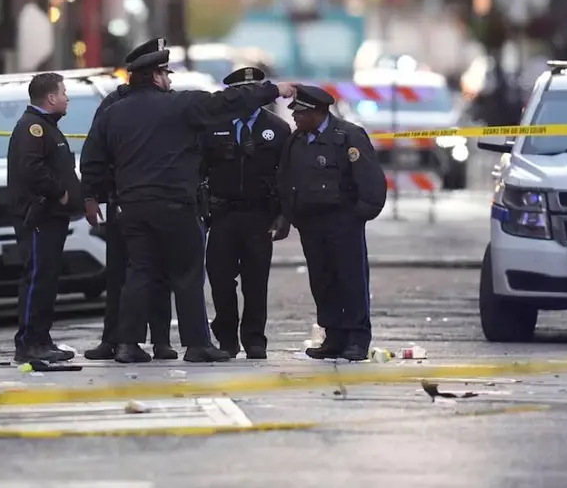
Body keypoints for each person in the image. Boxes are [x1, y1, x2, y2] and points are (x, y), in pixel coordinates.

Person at [81, 39, 296, 363]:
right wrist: (273, 90)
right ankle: (197, 344)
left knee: (140, 273)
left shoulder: (113, 113)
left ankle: (127, 344)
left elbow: (94, 157)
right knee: (186, 274)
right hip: (175, 205)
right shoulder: (180, 105)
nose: (169, 79)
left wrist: (92, 195)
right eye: (165, 73)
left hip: (134, 206)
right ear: (155, 76)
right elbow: (228, 101)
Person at [277, 85, 387, 362]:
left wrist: (359, 214)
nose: (295, 118)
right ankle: (334, 336)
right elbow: (286, 179)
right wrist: (291, 215)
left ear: (318, 112)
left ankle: (357, 338)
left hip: (342, 221)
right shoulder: (296, 141)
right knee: (322, 280)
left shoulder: (347, 136)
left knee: (350, 279)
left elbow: (370, 178)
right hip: (311, 223)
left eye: (300, 113)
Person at [83, 39, 175, 361]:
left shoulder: (170, 102)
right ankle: (114, 339)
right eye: (162, 71)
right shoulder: (113, 104)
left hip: (158, 200)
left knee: (159, 272)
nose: (167, 79)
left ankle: (161, 340)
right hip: (121, 199)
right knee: (120, 273)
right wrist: (92, 195)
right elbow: (95, 152)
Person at [201, 67, 292, 360]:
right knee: (220, 279)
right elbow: (199, 169)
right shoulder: (214, 125)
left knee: (256, 280)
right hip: (223, 214)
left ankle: (255, 339)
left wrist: (283, 215)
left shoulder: (277, 128)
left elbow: (285, 176)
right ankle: (226, 338)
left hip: (259, 215)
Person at [6, 72, 83, 364]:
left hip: (51, 217)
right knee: (38, 278)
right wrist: (60, 192)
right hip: (40, 215)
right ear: (50, 98)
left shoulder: (45, 126)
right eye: (63, 93)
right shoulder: (34, 128)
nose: (67, 98)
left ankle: (41, 338)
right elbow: (32, 168)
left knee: (47, 279)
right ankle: (28, 343)